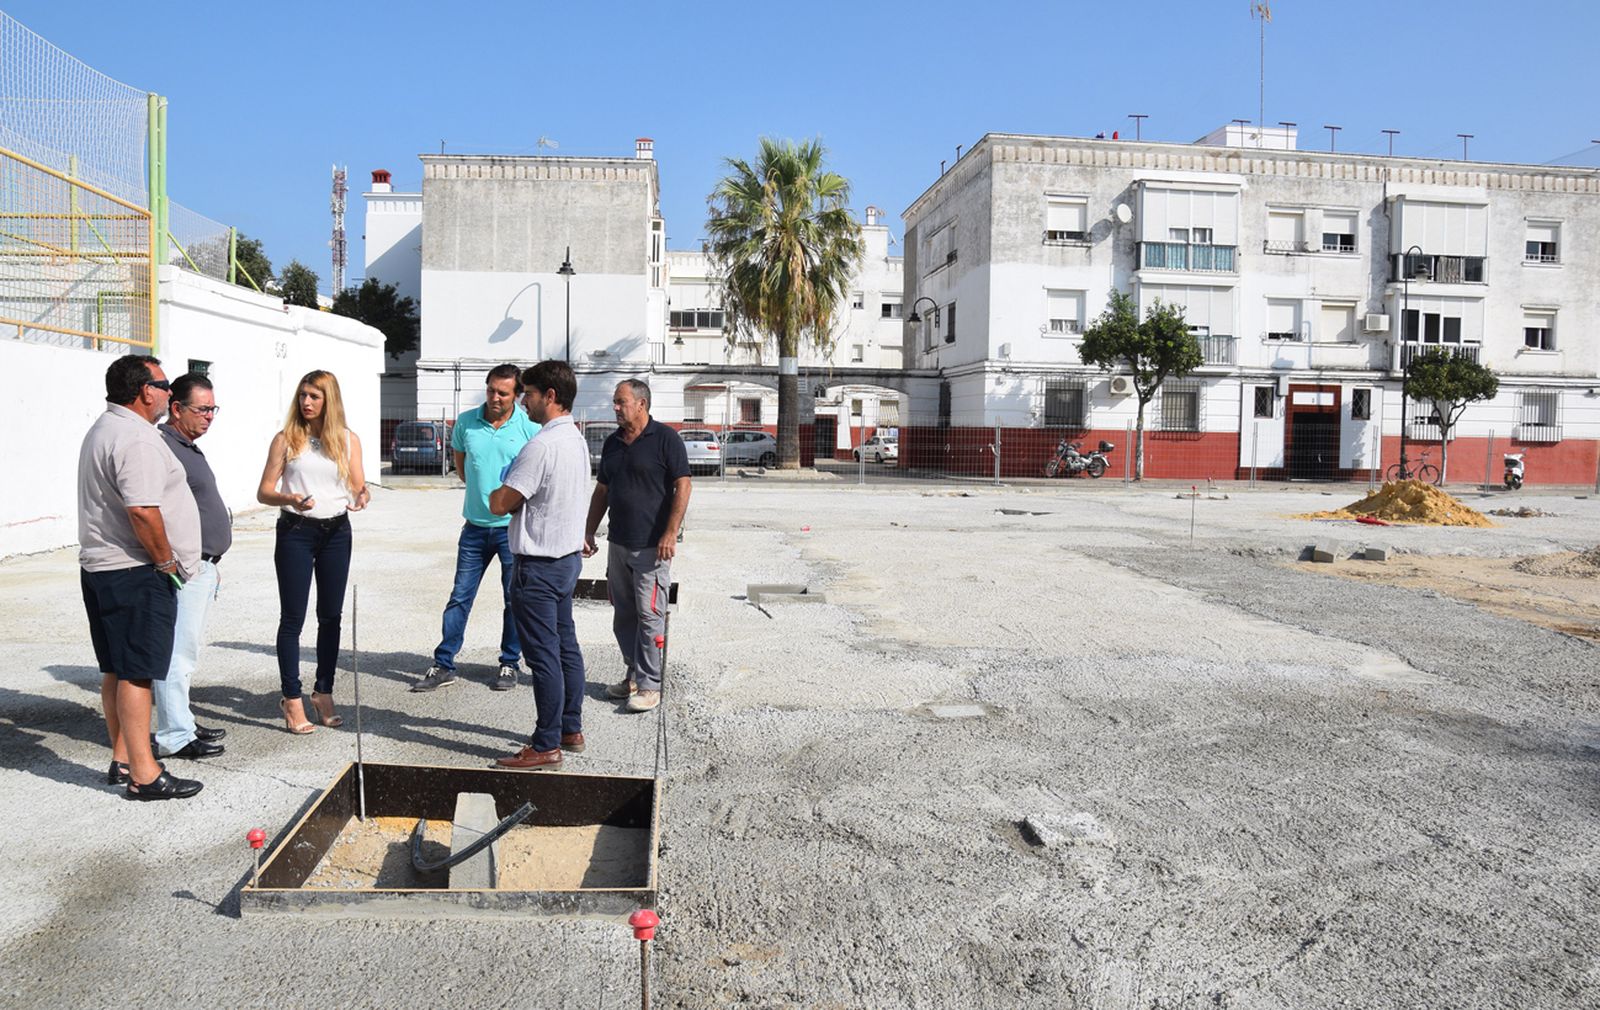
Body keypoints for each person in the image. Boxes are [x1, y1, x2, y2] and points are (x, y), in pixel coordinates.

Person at [77, 354, 204, 800]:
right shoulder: (138, 440)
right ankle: (145, 775)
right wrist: (167, 562)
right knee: (138, 674)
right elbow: (143, 511)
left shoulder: (104, 428)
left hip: (104, 568)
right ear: (144, 391)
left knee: (115, 669)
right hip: (135, 571)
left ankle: (124, 756)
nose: (170, 392)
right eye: (165, 384)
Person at [413, 364, 540, 693]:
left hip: (511, 529)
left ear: (517, 395)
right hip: (473, 529)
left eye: (503, 393)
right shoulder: (467, 422)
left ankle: (509, 664)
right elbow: (462, 465)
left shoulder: (529, 427)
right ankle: (444, 664)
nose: (495, 398)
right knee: (460, 596)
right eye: (491, 390)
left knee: (514, 599)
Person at [489, 360, 590, 770]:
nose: (523, 402)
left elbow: (499, 503)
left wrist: (507, 481)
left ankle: (547, 743)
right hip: (565, 560)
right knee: (565, 647)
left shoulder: (542, 445)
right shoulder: (575, 440)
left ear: (550, 396)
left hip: (538, 565)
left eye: (527, 393)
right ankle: (570, 727)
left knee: (544, 656)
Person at [256, 370, 369, 734]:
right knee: (293, 618)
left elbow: (358, 486)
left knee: (331, 617)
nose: (306, 402)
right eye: (303, 395)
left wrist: (362, 496)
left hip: (337, 531)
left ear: (329, 401)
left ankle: (324, 691)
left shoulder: (348, 440)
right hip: (296, 531)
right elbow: (264, 492)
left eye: (314, 397)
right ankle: (291, 698)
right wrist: (289, 497)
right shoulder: (287, 439)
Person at [582, 380, 690, 713]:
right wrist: (588, 531)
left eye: (621, 402)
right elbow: (602, 491)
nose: (615, 407)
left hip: (651, 546)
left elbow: (683, 487)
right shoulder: (614, 443)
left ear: (641, 404)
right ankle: (632, 674)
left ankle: (649, 685)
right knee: (623, 615)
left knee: (650, 615)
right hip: (619, 544)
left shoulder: (666, 439)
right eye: (614, 402)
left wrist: (670, 533)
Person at [153, 372, 231, 760]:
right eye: (202, 409)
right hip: (185, 567)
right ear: (176, 408)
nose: (209, 416)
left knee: (187, 651)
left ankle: (181, 720)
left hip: (202, 565)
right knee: (177, 654)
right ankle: (173, 735)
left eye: (213, 409)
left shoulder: (185, 445)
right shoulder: (163, 446)